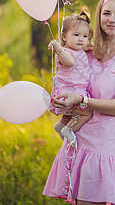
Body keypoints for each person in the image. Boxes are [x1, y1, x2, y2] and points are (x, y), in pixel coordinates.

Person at [43, 0, 115, 205]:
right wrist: (63, 99)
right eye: (106, 13)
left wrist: (82, 100)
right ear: (99, 15)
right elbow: (72, 81)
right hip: (78, 143)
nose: (112, 19)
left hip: (104, 149)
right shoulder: (88, 51)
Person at [48, 12, 93, 149]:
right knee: (87, 112)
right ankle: (68, 129)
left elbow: (80, 50)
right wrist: (58, 48)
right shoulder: (64, 53)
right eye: (76, 35)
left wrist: (86, 46)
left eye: (85, 36)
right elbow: (70, 62)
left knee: (72, 112)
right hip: (69, 92)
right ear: (64, 36)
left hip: (75, 90)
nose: (81, 39)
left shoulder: (77, 49)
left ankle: (61, 125)